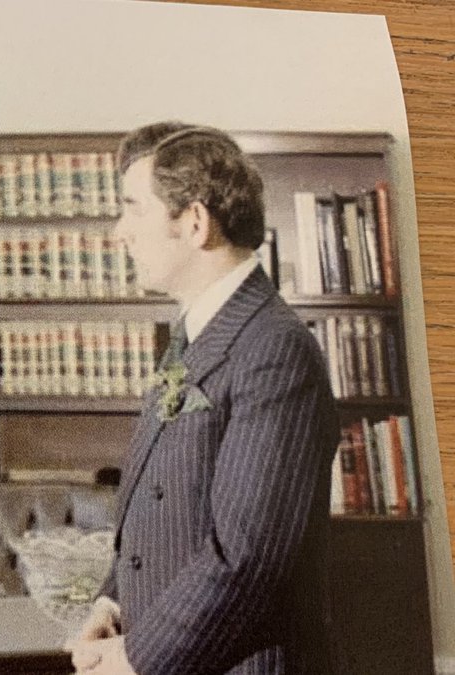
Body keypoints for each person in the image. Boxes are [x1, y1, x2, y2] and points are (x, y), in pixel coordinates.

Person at [67, 122, 339, 674]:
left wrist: (137, 658)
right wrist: (113, 600)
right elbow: (159, 506)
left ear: (194, 223)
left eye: (133, 209)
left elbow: (248, 557)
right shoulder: (194, 331)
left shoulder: (274, 349)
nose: (120, 232)